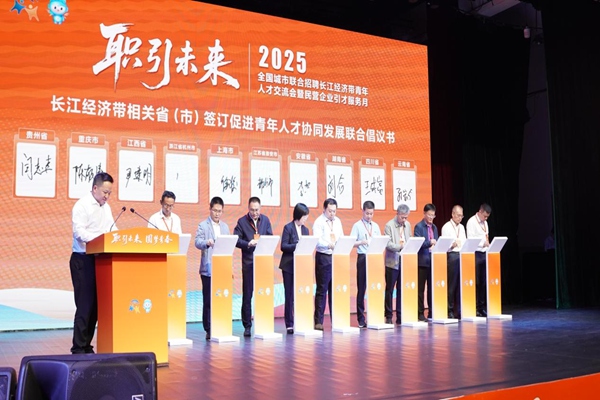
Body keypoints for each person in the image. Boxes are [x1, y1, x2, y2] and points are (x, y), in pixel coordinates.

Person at [70, 172, 115, 354]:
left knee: (96, 307)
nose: (107, 196)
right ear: (95, 188)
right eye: (105, 192)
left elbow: (112, 229)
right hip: (83, 260)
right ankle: (78, 348)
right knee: (85, 306)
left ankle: (87, 346)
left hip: (100, 260)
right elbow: (79, 232)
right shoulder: (82, 205)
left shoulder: (106, 208)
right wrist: (100, 239)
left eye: (109, 193)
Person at [234, 196, 273, 337]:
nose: (255, 213)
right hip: (249, 263)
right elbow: (236, 240)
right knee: (248, 295)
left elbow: (270, 237)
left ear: (260, 208)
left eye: (257, 210)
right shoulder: (242, 222)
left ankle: (263, 323)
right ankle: (247, 326)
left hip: (262, 263)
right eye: (252, 210)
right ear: (248, 209)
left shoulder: (265, 220)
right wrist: (248, 244)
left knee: (263, 293)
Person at [194, 196, 230, 341]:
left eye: (219, 211)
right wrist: (206, 242)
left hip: (221, 269)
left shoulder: (225, 227)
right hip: (208, 268)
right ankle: (208, 328)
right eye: (215, 210)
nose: (217, 214)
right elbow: (197, 242)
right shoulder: (203, 225)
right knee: (208, 300)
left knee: (221, 298)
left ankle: (220, 325)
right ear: (210, 209)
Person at [312, 198, 344, 330]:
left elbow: (341, 236)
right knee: (322, 290)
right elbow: (317, 241)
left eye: (334, 211)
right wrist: (328, 245)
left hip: (336, 257)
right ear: (324, 209)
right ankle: (318, 321)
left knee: (335, 290)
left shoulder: (338, 221)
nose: (332, 214)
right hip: (323, 257)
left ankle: (336, 320)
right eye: (330, 211)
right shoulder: (319, 222)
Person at [279, 203, 310, 334]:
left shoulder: (306, 230)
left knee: (301, 294)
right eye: (304, 216)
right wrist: (297, 245)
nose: (306, 219)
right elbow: (283, 246)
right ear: (298, 215)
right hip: (289, 266)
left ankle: (301, 320)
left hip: (300, 266)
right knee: (290, 295)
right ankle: (289, 324)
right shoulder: (288, 228)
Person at [350, 201, 381, 328]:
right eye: (367, 213)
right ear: (363, 211)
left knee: (374, 287)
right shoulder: (357, 226)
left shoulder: (376, 226)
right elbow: (351, 242)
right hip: (362, 257)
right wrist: (361, 242)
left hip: (373, 257)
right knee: (362, 288)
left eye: (371, 214)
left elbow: (379, 241)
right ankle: (361, 318)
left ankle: (374, 315)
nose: (369, 216)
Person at [384, 204, 411, 325]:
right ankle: (389, 315)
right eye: (402, 217)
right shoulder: (389, 225)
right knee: (390, 289)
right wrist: (400, 247)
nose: (404, 220)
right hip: (392, 262)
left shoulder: (408, 225)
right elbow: (388, 244)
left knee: (401, 289)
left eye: (406, 217)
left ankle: (400, 315)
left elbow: (409, 239)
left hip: (404, 261)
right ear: (397, 214)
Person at [414, 203, 439, 321]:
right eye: (429, 215)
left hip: (432, 261)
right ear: (424, 214)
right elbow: (418, 243)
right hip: (422, 261)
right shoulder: (419, 227)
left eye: (433, 215)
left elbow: (436, 241)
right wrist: (429, 243)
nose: (431, 218)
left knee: (431, 288)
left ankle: (431, 312)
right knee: (420, 289)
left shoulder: (434, 227)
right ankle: (420, 313)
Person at [441, 205, 466, 319]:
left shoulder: (462, 227)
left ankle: (459, 310)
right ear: (453, 214)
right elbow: (444, 245)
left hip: (462, 255)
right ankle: (449, 309)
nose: (460, 218)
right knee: (452, 284)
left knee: (461, 284)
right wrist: (452, 245)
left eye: (461, 216)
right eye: (458, 215)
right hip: (452, 255)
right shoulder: (446, 227)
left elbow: (464, 241)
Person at [466, 203, 492, 317]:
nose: (485, 219)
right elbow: (470, 239)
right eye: (484, 216)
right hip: (475, 253)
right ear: (480, 212)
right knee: (475, 282)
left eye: (487, 217)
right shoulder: (471, 222)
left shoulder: (485, 223)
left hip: (484, 253)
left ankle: (481, 307)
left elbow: (486, 236)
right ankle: (474, 307)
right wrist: (482, 243)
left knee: (483, 282)